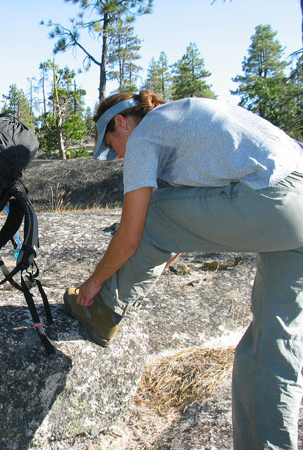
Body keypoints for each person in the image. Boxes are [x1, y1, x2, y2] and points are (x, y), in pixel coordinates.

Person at [64, 90, 303, 449]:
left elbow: (133, 235)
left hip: (276, 199)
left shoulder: (146, 133)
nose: (117, 154)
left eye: (112, 144)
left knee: (153, 211)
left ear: (121, 122)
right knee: (272, 348)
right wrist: (157, 266)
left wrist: (94, 282)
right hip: (295, 203)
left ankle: (105, 310)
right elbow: (182, 232)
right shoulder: (184, 121)